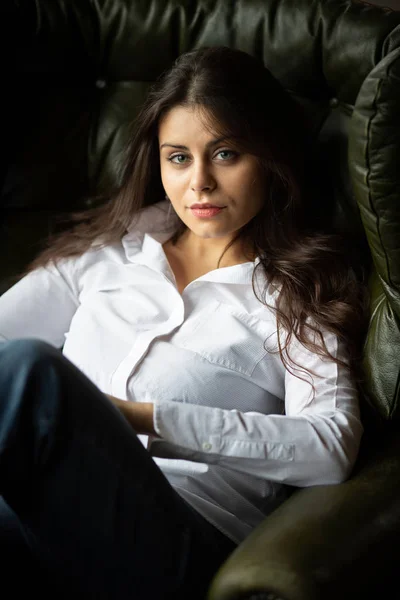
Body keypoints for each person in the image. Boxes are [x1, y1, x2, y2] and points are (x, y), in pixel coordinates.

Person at [0, 46, 368, 599]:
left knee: (31, 373)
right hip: (43, 520)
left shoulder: (299, 293)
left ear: (269, 158)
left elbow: (329, 447)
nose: (199, 183)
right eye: (178, 157)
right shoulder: (112, 251)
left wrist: (141, 418)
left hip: (177, 539)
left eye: (224, 154)